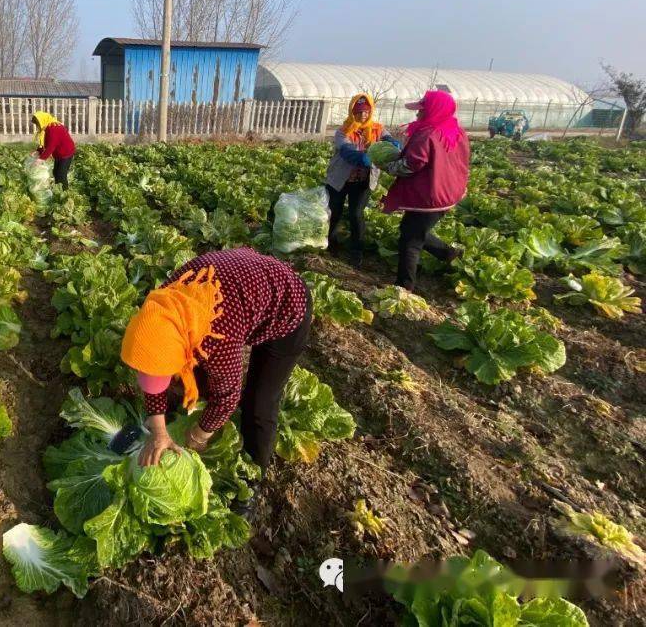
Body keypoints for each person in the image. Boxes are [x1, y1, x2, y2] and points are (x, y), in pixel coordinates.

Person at [120, 248, 312, 518]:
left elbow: (228, 397)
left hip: (288, 307)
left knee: (259, 402)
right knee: (191, 379)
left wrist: (199, 435)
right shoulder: (160, 309)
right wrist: (159, 433)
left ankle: (252, 479)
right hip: (244, 290)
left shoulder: (216, 338)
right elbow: (154, 371)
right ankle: (171, 423)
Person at [382, 90, 470, 292]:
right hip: (449, 192)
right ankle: (448, 254)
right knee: (412, 229)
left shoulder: (427, 133)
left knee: (410, 240)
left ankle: (404, 286)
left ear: (432, 110)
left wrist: (388, 166)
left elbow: (412, 164)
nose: (417, 114)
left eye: (421, 110)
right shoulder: (456, 131)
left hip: (430, 195)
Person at [324, 93, 400, 266]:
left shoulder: (377, 129)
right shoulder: (343, 131)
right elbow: (346, 151)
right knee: (334, 212)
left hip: (363, 182)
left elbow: (388, 140)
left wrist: (392, 145)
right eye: (358, 111)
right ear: (352, 111)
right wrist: (364, 157)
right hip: (340, 179)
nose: (363, 114)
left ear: (371, 111)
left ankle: (356, 251)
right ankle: (331, 244)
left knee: (356, 214)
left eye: (366, 111)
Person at [32, 111, 76, 188]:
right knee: (55, 172)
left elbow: (51, 146)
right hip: (59, 154)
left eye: (37, 124)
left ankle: (65, 193)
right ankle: (58, 189)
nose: (37, 126)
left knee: (61, 174)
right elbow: (46, 143)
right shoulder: (48, 127)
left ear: (43, 120)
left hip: (66, 153)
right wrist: (39, 151)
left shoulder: (54, 128)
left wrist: (41, 159)